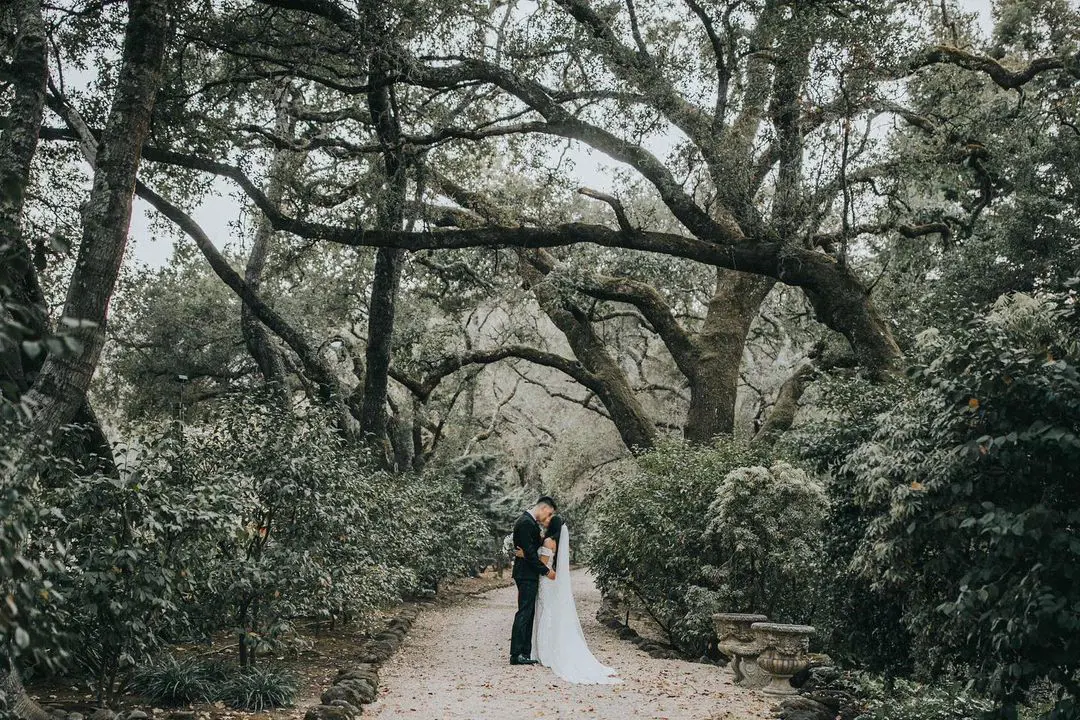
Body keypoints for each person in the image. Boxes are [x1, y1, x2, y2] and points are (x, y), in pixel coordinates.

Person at [517, 514, 621, 684]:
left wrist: (524, 555)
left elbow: (542, 565)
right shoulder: (554, 542)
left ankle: (546, 652)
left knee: (546, 614)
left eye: (549, 521)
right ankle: (546, 649)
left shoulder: (548, 541)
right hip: (550, 582)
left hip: (545, 582)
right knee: (548, 613)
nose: (546, 522)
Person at [509, 496, 557, 665]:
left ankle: (524, 652)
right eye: (549, 514)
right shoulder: (525, 523)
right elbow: (529, 553)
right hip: (526, 574)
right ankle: (516, 654)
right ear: (543, 508)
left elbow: (531, 550)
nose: (548, 518)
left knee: (528, 612)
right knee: (524, 612)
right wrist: (545, 571)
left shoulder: (530, 523)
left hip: (528, 573)